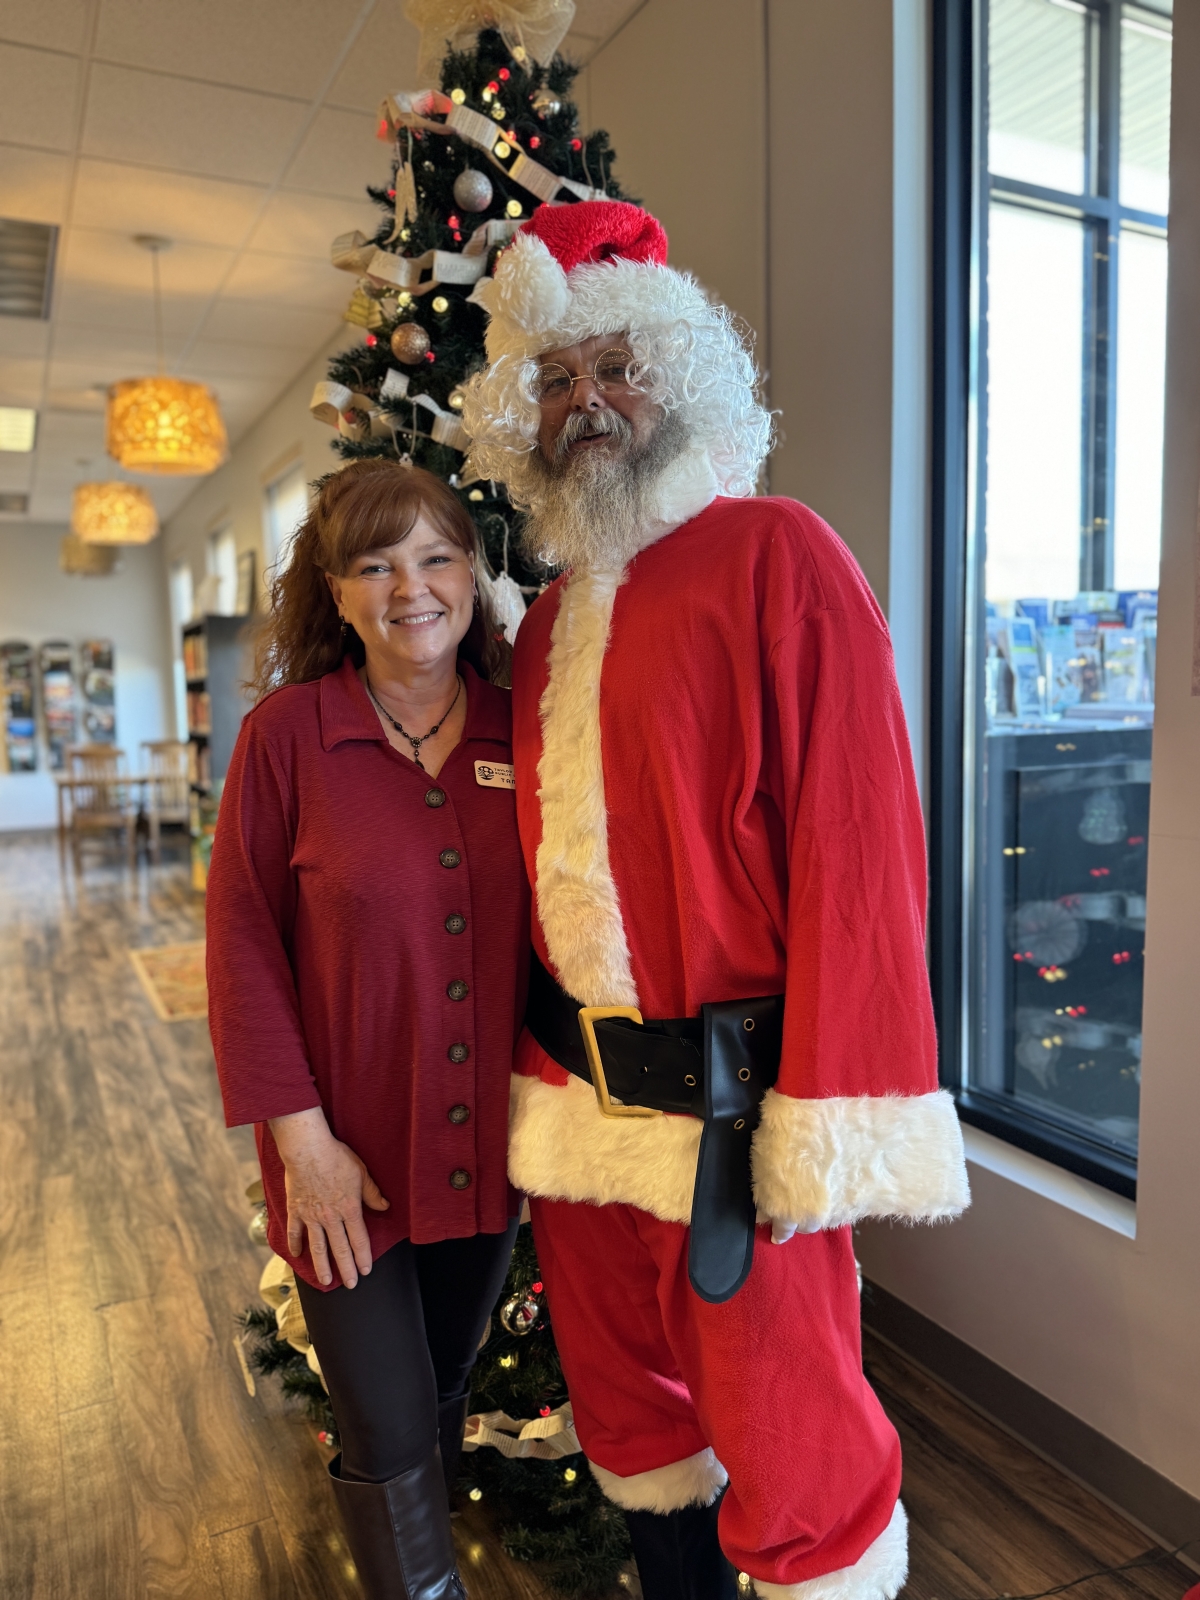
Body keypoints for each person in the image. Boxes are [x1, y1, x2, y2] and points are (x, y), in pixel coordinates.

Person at [461, 201, 970, 1600]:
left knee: (794, 1443)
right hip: (576, 1108)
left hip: (739, 1117)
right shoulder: (556, 617)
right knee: (632, 1421)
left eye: (616, 366)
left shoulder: (782, 556)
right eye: (557, 380)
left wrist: (838, 1109)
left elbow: (863, 860)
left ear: (684, 375)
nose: (586, 404)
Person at [206, 460, 529, 1600]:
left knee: (441, 1385)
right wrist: (304, 1147)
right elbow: (242, 947)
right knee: (386, 1427)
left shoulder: (517, 730)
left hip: (486, 1149)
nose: (411, 588)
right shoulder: (290, 736)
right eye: (376, 565)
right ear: (336, 592)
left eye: (437, 556)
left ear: (472, 575)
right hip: (339, 1155)